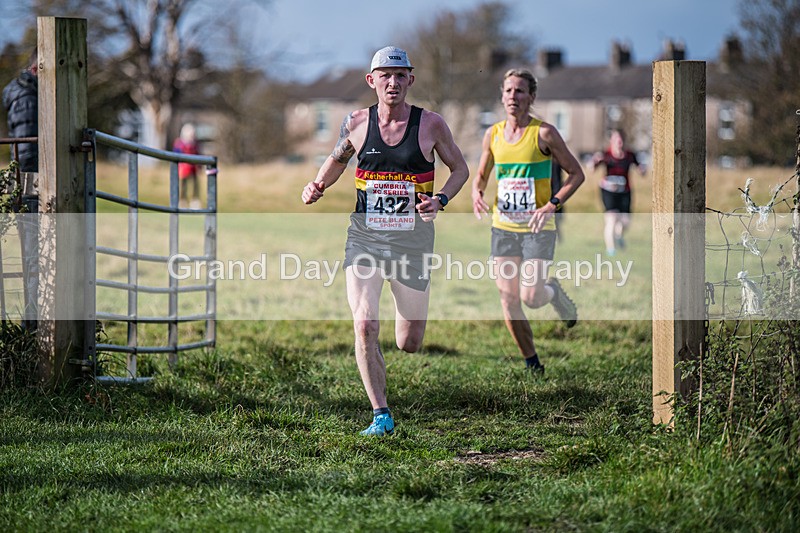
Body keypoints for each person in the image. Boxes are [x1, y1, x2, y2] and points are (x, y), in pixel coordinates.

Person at [302, 46, 468, 436]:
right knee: (364, 324)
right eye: (385, 75)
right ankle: (381, 415)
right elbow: (339, 158)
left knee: (409, 342)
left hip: (413, 243)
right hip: (365, 238)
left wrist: (440, 199)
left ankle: (400, 330)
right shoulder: (357, 122)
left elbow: (459, 168)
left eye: (400, 75)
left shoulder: (431, 125)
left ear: (410, 80)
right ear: (371, 80)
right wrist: (317, 184)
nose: (392, 82)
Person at [472, 68, 585, 374]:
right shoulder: (493, 134)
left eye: (520, 91)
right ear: (502, 95)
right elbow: (482, 174)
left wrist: (552, 205)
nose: (513, 97)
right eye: (508, 91)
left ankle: (553, 293)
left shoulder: (544, 133)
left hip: (537, 227)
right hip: (504, 226)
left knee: (531, 297)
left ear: (532, 97)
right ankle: (532, 362)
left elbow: (576, 174)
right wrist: (476, 192)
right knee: (508, 300)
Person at [3, 48, 39, 329]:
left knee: (35, 255)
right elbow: (28, 149)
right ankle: (34, 328)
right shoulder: (29, 95)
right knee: (35, 255)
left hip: (29, 180)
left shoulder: (21, 91)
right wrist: (34, 183)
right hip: (34, 183)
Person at [588, 129, 646, 256]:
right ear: (612, 141)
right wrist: (594, 161)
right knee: (611, 219)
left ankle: (619, 236)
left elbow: (641, 170)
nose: (618, 143)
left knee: (625, 222)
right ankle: (611, 250)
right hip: (609, 191)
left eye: (620, 140)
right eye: (616, 140)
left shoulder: (630, 155)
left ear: (623, 141)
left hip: (625, 191)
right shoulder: (606, 154)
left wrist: (642, 169)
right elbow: (592, 169)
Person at [173, 123, 202, 209]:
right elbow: (176, 154)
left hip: (193, 168)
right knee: (183, 186)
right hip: (183, 169)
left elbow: (198, 154)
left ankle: (195, 201)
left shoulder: (195, 144)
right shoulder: (179, 143)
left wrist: (199, 166)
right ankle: (182, 201)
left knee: (195, 185)